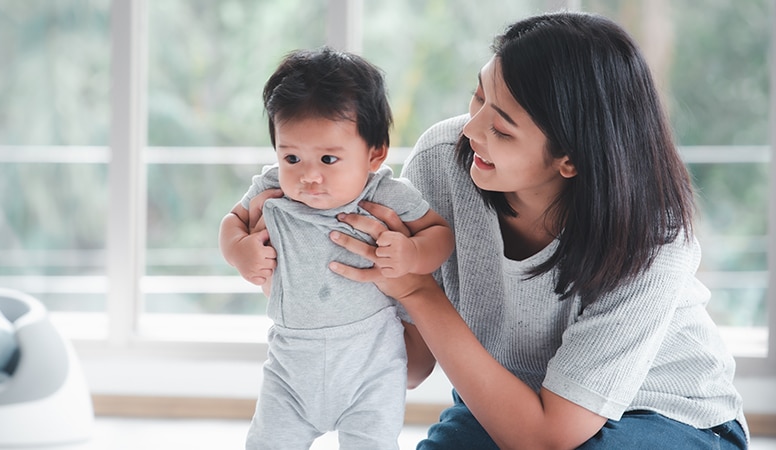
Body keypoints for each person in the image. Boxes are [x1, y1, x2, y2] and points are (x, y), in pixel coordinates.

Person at [324, 11, 749, 450]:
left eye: (502, 129)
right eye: (478, 96)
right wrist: (313, 278)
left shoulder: (653, 239)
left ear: (569, 158)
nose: (471, 129)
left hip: (666, 411)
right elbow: (411, 365)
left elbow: (547, 439)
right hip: (514, 401)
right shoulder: (442, 163)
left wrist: (416, 290)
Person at [218, 47, 454, 449]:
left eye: (328, 158)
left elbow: (439, 233)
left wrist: (411, 253)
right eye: (291, 156)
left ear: (374, 153)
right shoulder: (271, 188)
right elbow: (231, 223)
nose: (308, 176)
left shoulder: (387, 195)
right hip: (290, 371)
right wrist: (240, 251)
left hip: (371, 368)